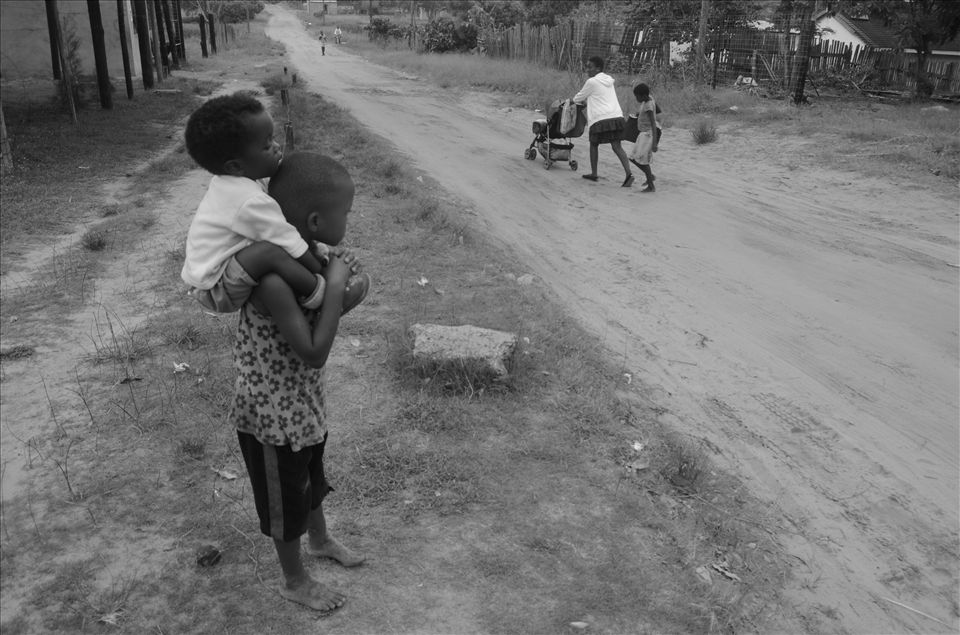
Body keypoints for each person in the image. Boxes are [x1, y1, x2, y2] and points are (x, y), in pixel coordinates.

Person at [232, 152, 367, 612]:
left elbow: (328, 310)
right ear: (314, 220)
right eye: (346, 213)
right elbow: (313, 349)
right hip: (272, 419)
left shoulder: (310, 257)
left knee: (311, 476)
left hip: (302, 404)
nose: (348, 220)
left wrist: (344, 284)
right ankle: (293, 579)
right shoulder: (273, 280)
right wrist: (339, 285)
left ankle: (320, 539)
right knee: (287, 501)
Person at [181, 93, 369, 316]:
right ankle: (324, 295)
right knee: (270, 251)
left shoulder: (237, 180)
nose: (277, 147)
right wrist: (326, 272)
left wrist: (319, 253)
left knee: (279, 237)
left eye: (273, 138)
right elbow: (289, 240)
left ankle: (321, 271)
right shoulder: (248, 199)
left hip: (218, 274)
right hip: (215, 288)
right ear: (236, 166)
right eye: (267, 145)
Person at [572, 56, 634, 187]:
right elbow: (600, 96)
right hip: (616, 116)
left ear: (598, 68)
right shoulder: (608, 80)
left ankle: (594, 174)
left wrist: (571, 102)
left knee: (594, 144)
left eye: (590, 67)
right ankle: (629, 174)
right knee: (617, 146)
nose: (587, 70)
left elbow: (577, 98)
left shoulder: (592, 81)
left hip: (600, 119)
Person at [628, 83, 660, 193]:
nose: (636, 99)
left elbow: (653, 123)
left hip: (647, 135)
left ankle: (651, 186)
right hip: (643, 134)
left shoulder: (648, 105)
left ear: (644, 96)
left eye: (637, 97)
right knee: (633, 158)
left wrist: (654, 142)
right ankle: (650, 176)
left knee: (643, 161)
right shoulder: (648, 100)